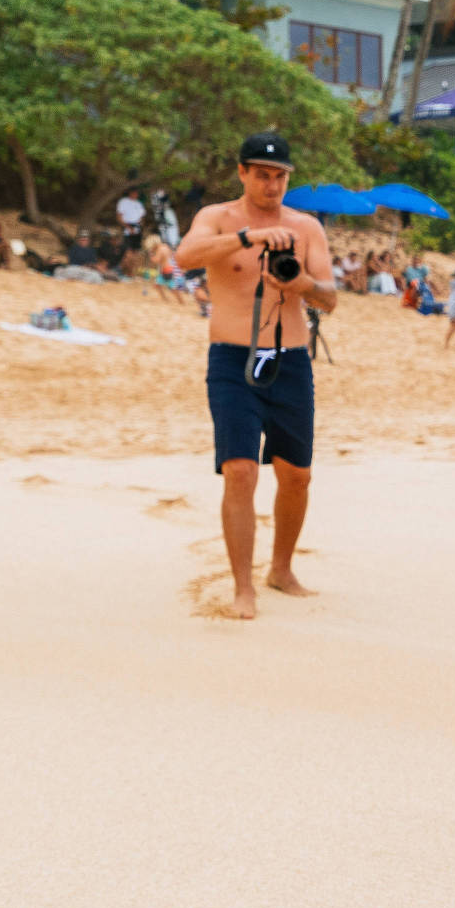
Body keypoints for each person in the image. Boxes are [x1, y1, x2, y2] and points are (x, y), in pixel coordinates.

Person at [174, 131, 337, 621]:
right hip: (231, 358)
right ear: (242, 172)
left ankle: (281, 569)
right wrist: (249, 238)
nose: (272, 184)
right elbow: (183, 259)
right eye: (262, 174)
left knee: (297, 476)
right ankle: (242, 587)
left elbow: (329, 297)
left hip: (288, 359)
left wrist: (300, 282)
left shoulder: (306, 227)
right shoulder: (217, 218)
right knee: (240, 470)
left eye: (280, 176)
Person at [116, 188, 147, 262]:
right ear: (130, 193)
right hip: (127, 226)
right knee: (127, 249)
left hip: (137, 227)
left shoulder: (139, 203)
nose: (136, 194)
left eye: (137, 193)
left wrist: (141, 224)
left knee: (136, 249)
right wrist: (127, 227)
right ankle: (125, 266)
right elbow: (119, 216)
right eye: (134, 193)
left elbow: (142, 216)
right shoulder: (124, 201)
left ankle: (133, 266)